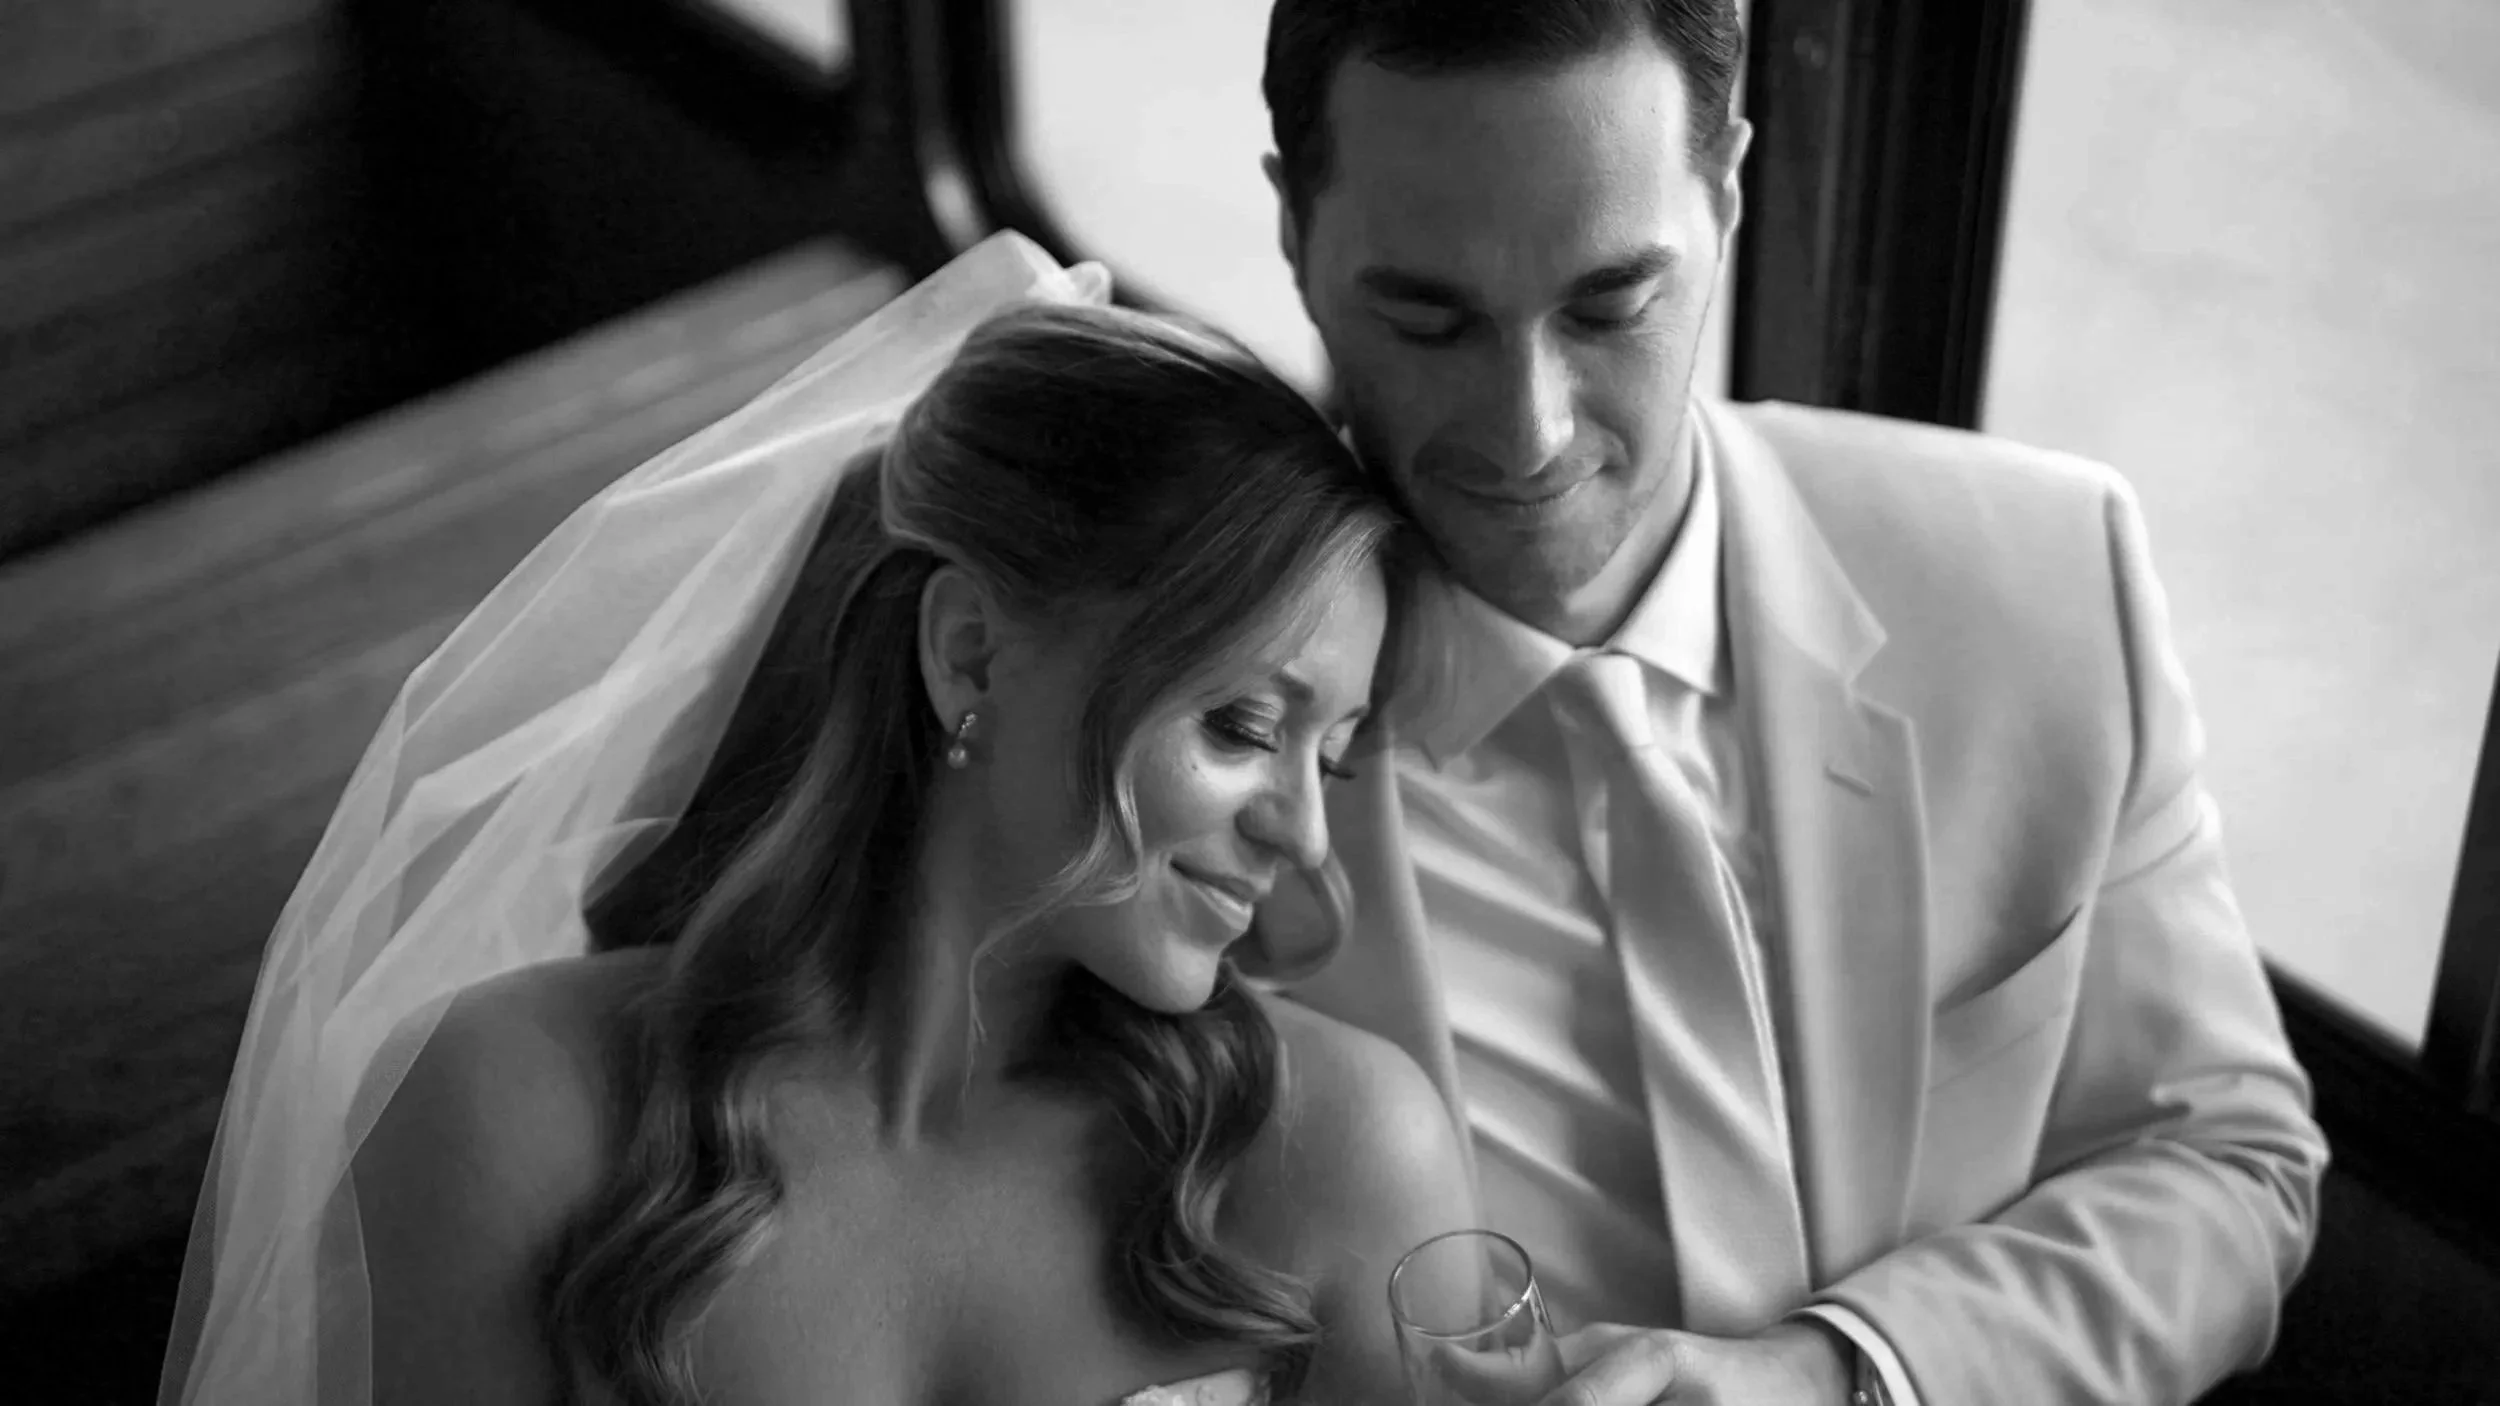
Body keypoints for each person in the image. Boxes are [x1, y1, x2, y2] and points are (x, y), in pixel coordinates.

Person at [155, 233, 1478, 1406]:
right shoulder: (507, 1111)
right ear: (970, 655)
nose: (1305, 833)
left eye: (1337, 754)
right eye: (1246, 726)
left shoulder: (1338, 1151)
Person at [1238, 3, 2332, 1404]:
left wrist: (1844, 1372)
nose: (1534, 433)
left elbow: (2231, 1166)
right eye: (1428, 317)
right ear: (1292, 231)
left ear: (1732, 185)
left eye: (1610, 304)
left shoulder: (2053, 582)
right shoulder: (1168, 694)